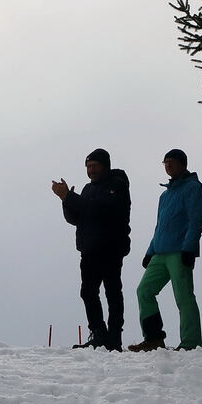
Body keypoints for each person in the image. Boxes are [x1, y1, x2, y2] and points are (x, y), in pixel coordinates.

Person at [51, 148, 131, 351]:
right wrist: (65, 200)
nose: (91, 170)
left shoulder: (117, 184)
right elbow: (76, 218)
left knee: (112, 292)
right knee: (88, 292)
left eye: (94, 166)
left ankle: (114, 338)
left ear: (105, 165)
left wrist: (69, 196)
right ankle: (99, 334)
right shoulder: (87, 189)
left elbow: (99, 209)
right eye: (88, 166)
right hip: (89, 249)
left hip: (111, 247)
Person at [128, 149, 202, 351]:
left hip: (180, 251)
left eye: (171, 162)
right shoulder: (164, 195)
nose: (168, 166)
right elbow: (160, 226)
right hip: (160, 252)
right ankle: (153, 338)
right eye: (165, 162)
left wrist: (189, 249)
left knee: (183, 296)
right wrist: (150, 251)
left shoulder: (193, 187)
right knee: (144, 290)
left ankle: (190, 343)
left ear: (183, 164)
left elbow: (196, 221)